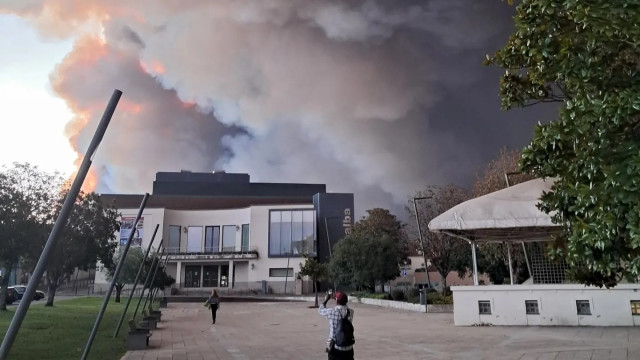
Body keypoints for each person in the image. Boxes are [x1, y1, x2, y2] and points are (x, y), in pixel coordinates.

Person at [318, 291, 354, 360]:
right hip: (349, 347)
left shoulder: (332, 311)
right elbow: (344, 306)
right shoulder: (351, 312)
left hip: (335, 347)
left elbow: (320, 310)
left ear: (336, 301)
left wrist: (326, 299)